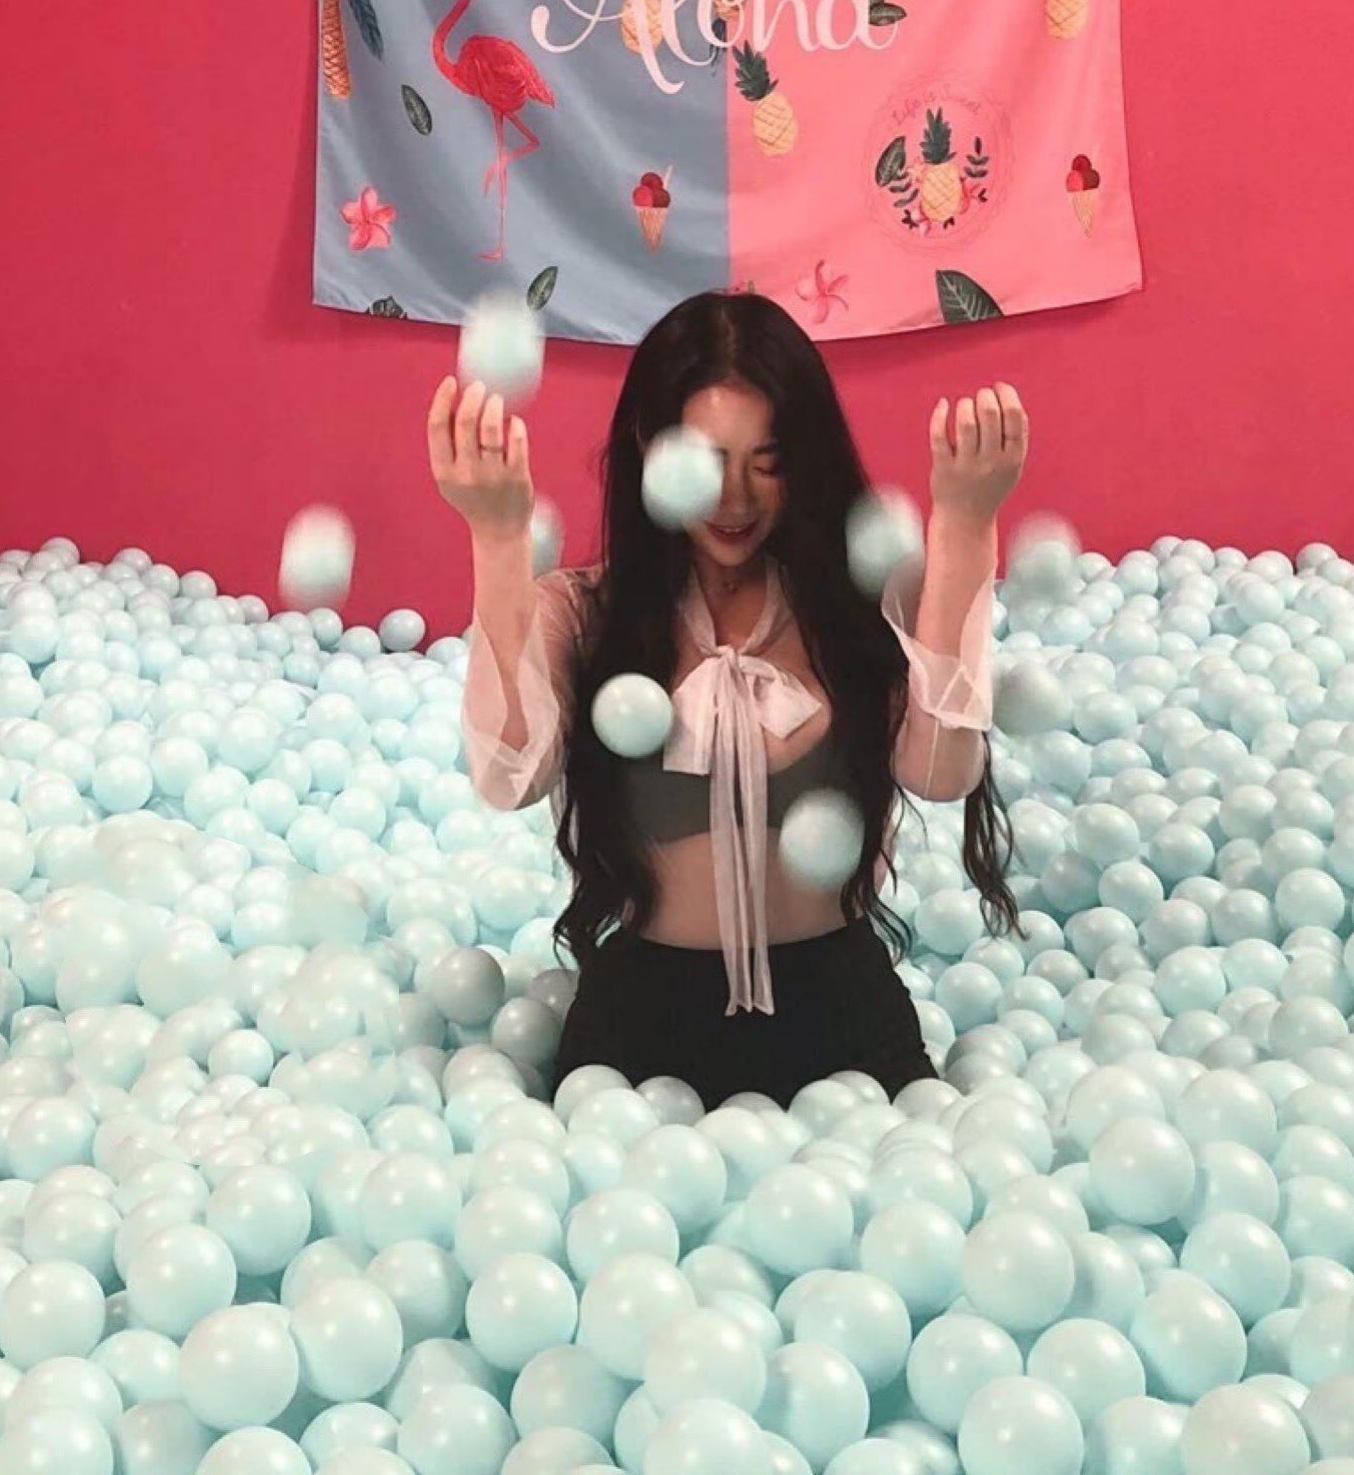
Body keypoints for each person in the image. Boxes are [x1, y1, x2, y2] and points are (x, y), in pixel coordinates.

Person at [428, 290, 1025, 1107]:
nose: (735, 498)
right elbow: (509, 776)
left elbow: (942, 771)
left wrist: (963, 528)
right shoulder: (586, 611)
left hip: (840, 1011)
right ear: (648, 447)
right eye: (705, 462)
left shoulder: (859, 606)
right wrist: (498, 539)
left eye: (767, 461)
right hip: (644, 1022)